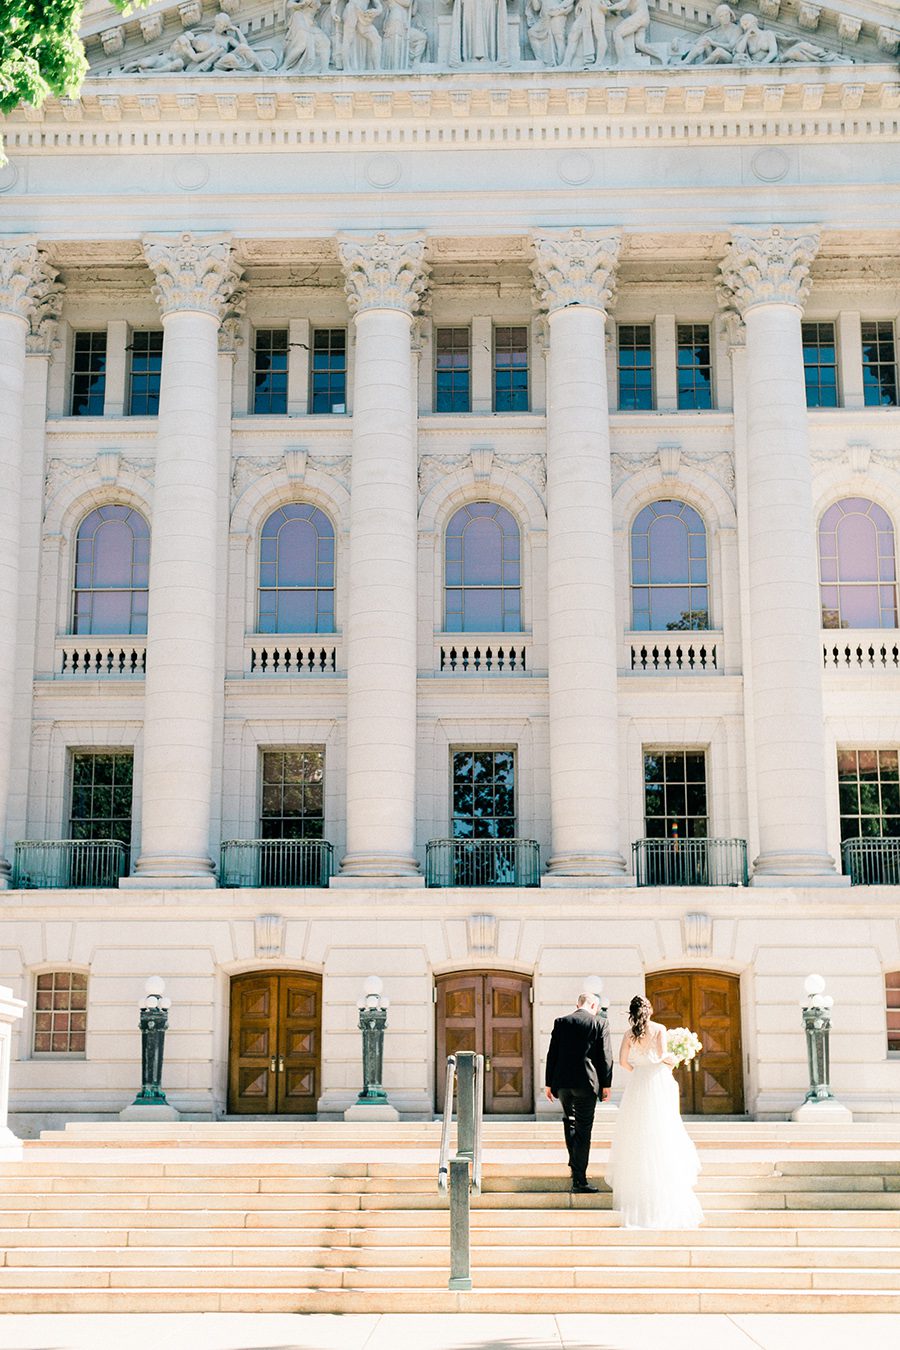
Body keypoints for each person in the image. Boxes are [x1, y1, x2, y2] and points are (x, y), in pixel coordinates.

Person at [605, 994, 703, 1229]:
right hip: (656, 1080)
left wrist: (638, 1068)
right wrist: (672, 1060)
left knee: (636, 1132)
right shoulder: (659, 1028)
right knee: (661, 1128)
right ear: (649, 1011)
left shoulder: (629, 1034)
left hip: (638, 1081)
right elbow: (662, 1058)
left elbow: (623, 1062)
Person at [544, 989, 613, 1193]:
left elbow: (552, 1054)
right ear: (593, 1006)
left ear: (578, 1005)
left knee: (570, 1123)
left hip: (563, 1084)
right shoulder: (599, 1022)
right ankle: (579, 1179)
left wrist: (549, 1084)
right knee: (584, 1130)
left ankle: (575, 1169)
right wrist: (606, 1084)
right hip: (587, 1083)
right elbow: (605, 1055)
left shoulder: (561, 1022)